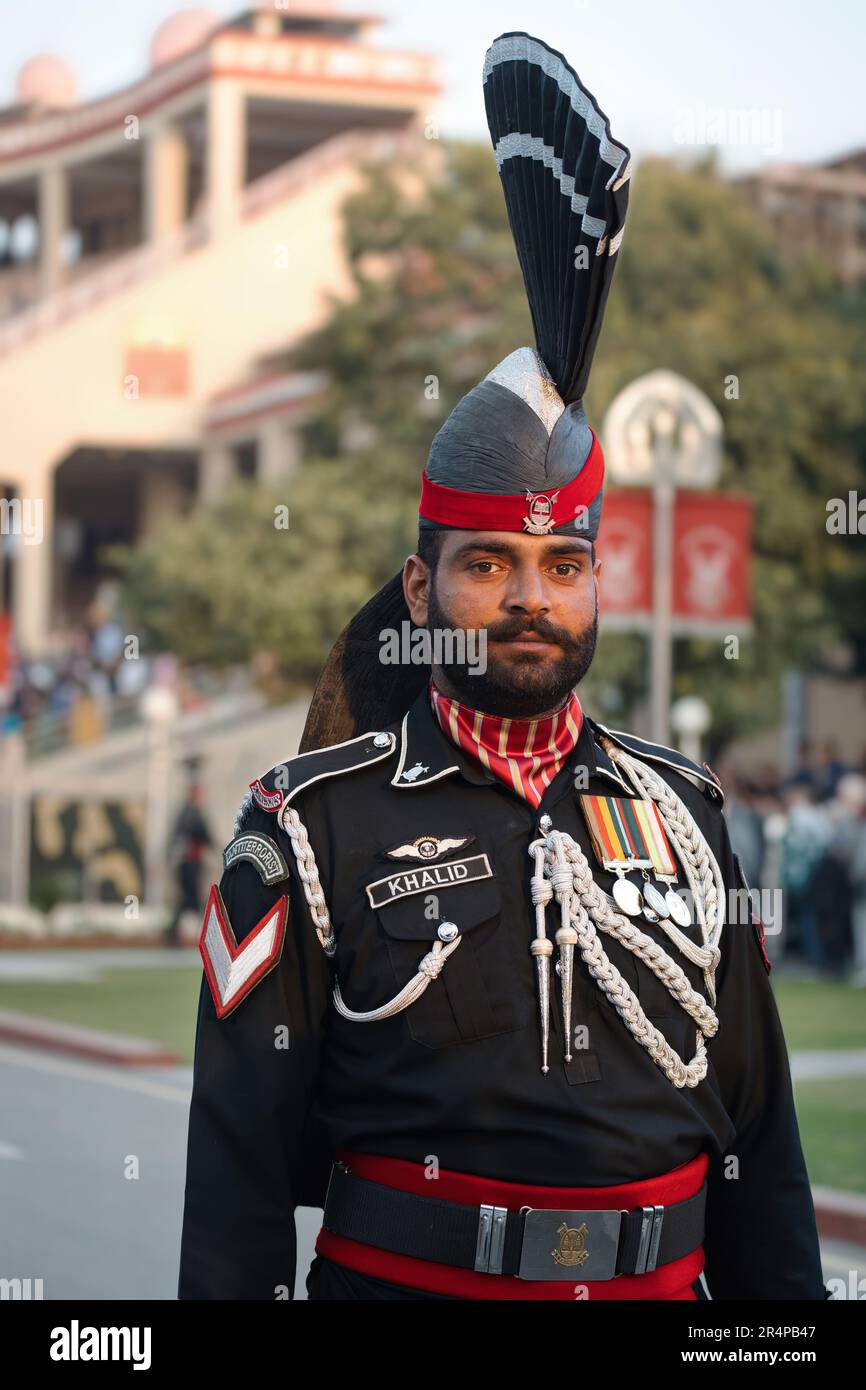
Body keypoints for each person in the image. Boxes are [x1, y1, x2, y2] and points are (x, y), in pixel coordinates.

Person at [178, 31, 829, 1301]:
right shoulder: (304, 830)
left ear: (595, 581)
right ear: (420, 588)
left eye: (562, 568)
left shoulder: (686, 813)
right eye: (486, 566)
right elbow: (238, 1185)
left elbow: (764, 1156)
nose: (530, 599)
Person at [165, 782, 212, 949]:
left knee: (188, 899)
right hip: (190, 862)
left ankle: (173, 934)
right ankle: (210, 934)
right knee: (192, 899)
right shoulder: (191, 813)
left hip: (187, 862)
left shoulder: (185, 812)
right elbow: (203, 833)